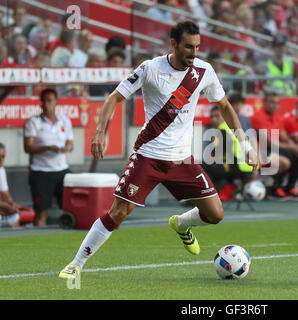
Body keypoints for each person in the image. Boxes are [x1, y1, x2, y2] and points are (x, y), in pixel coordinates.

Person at [58, 20, 259, 280]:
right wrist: (100, 131)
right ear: (173, 44)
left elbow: (225, 107)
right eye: (188, 47)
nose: (193, 53)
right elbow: (114, 98)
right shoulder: (150, 68)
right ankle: (76, 264)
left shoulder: (203, 71)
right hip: (149, 157)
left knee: (216, 214)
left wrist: (245, 145)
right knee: (118, 212)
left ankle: (182, 224)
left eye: (197, 47)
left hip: (182, 161)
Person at [23, 88, 74, 226]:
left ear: (56, 102)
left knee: (71, 209)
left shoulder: (64, 120)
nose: (46, 104)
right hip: (41, 172)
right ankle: (37, 242)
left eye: (49, 101)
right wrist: (48, 147)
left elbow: (70, 143)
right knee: (41, 213)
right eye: (43, 101)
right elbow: (27, 147)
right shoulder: (33, 122)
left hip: (62, 170)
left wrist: (66, 148)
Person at [250, 92, 298, 201]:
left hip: (274, 148)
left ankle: (289, 188)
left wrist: (295, 147)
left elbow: (284, 136)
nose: (274, 105)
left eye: (277, 103)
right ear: (264, 103)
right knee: (288, 154)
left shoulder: (277, 117)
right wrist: (291, 147)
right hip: (262, 150)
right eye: (271, 102)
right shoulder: (258, 116)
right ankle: (275, 189)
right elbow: (268, 141)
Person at [203, 107, 256, 201]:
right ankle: (221, 192)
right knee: (214, 167)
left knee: (204, 165)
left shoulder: (223, 129)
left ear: (224, 117)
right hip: (248, 168)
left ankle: (207, 197)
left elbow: (217, 155)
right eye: (212, 117)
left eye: (217, 116)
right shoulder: (231, 127)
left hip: (239, 167)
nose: (214, 119)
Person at [0, 143, 20, 228]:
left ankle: (17, 239)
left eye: (3, 156)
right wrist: (6, 206)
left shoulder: (1, 170)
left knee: (15, 216)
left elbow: (6, 195)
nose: (1, 160)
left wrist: (12, 205)